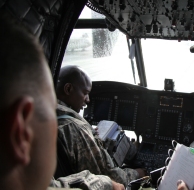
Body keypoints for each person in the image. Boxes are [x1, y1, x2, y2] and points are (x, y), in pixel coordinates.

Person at [0, 11, 125, 190]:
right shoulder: (72, 125)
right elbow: (113, 176)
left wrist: (104, 183)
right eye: (50, 106)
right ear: (20, 134)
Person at [55, 65, 145, 186]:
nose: (88, 100)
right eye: (85, 93)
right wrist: (138, 174)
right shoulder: (76, 128)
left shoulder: (44, 114)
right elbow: (112, 179)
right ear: (68, 89)